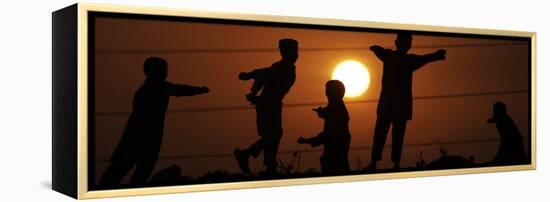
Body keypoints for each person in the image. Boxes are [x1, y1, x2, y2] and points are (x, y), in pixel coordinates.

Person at [99, 57, 209, 187]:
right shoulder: (156, 88)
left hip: (141, 137)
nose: (166, 73)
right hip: (140, 138)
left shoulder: (149, 89)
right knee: (123, 171)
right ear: (153, 71)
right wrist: (200, 90)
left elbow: (179, 89)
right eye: (163, 70)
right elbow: (180, 89)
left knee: (130, 172)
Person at [367, 32, 446, 170]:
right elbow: (426, 58)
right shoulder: (400, 58)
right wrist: (436, 55)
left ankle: (385, 163)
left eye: (406, 42)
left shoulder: (396, 58)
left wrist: (436, 55)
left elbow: (426, 58)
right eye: (405, 42)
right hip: (392, 105)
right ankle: (383, 163)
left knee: (389, 135)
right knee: (386, 135)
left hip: (393, 105)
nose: (405, 44)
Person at [234, 38, 299, 175]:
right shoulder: (281, 67)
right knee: (273, 135)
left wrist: (253, 90)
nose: (296, 54)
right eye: (293, 50)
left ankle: (257, 159)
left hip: (272, 103)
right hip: (268, 104)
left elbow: (264, 76)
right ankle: (265, 163)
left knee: (273, 135)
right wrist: (251, 83)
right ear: (285, 51)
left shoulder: (285, 67)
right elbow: (264, 75)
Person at [298, 80, 351, 175]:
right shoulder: (337, 107)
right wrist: (321, 112)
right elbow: (328, 112)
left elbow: (328, 135)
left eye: (329, 91)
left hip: (334, 157)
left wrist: (308, 140)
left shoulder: (336, 110)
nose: (326, 94)